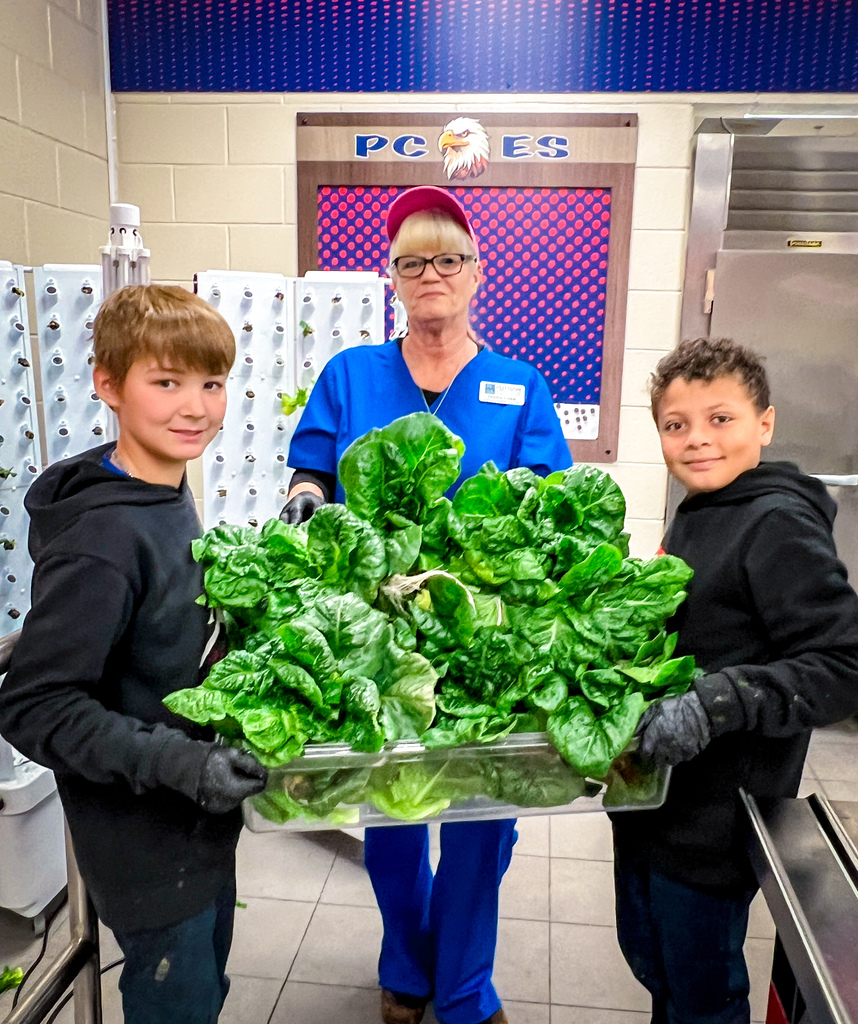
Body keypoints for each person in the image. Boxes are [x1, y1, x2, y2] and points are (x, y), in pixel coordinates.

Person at [283, 185, 572, 1024]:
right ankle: (405, 968)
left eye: (448, 258)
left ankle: (464, 986)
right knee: (392, 816)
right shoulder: (350, 375)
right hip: (375, 636)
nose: (431, 274)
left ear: (477, 272)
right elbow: (313, 469)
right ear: (394, 277)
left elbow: (550, 505)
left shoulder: (518, 386)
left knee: (482, 826)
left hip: (485, 640)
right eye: (412, 262)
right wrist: (305, 499)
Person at [0, 285, 268, 1024]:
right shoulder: (103, 539)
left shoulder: (162, 492)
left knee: (204, 992)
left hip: (195, 829)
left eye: (211, 383)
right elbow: (34, 706)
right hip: (149, 852)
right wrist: (185, 764)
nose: (196, 407)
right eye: (167, 382)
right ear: (109, 386)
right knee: (177, 1001)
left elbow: (161, 639)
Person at [610, 336, 858, 1024]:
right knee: (655, 963)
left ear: (765, 424)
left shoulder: (777, 523)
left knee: (703, 994)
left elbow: (844, 665)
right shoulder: (701, 509)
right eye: (676, 424)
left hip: (713, 824)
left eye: (720, 418)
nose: (697, 439)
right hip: (655, 803)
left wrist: (715, 702)